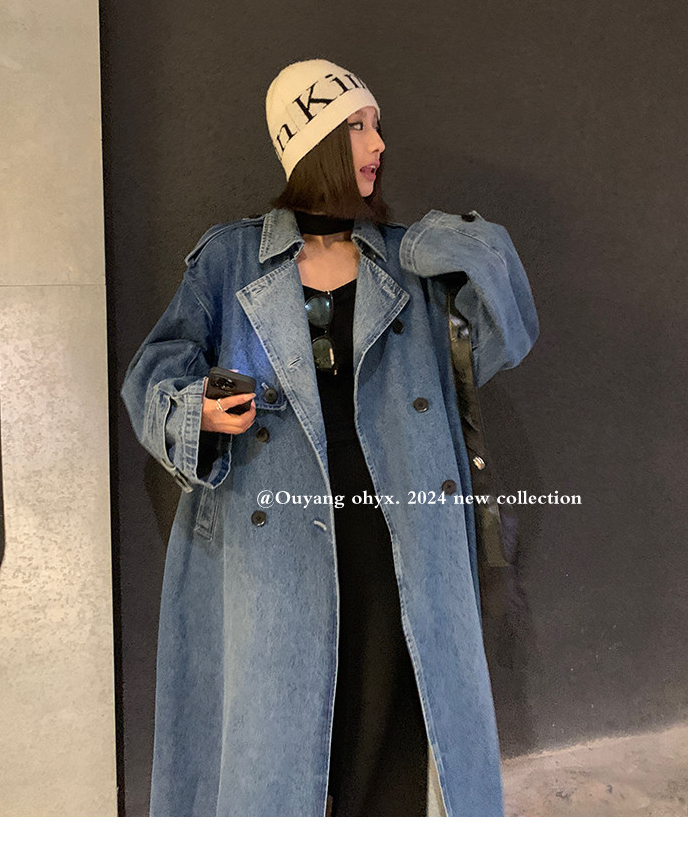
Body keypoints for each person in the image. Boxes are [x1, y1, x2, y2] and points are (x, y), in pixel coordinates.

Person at [120, 58, 540, 817]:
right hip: (276, 535)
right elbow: (152, 374)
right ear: (309, 143)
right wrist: (196, 410)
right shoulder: (231, 259)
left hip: (397, 529)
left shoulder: (409, 261)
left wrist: (458, 243)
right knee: (283, 741)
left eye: (376, 125)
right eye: (356, 127)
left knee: (393, 731)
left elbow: (503, 339)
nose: (378, 142)